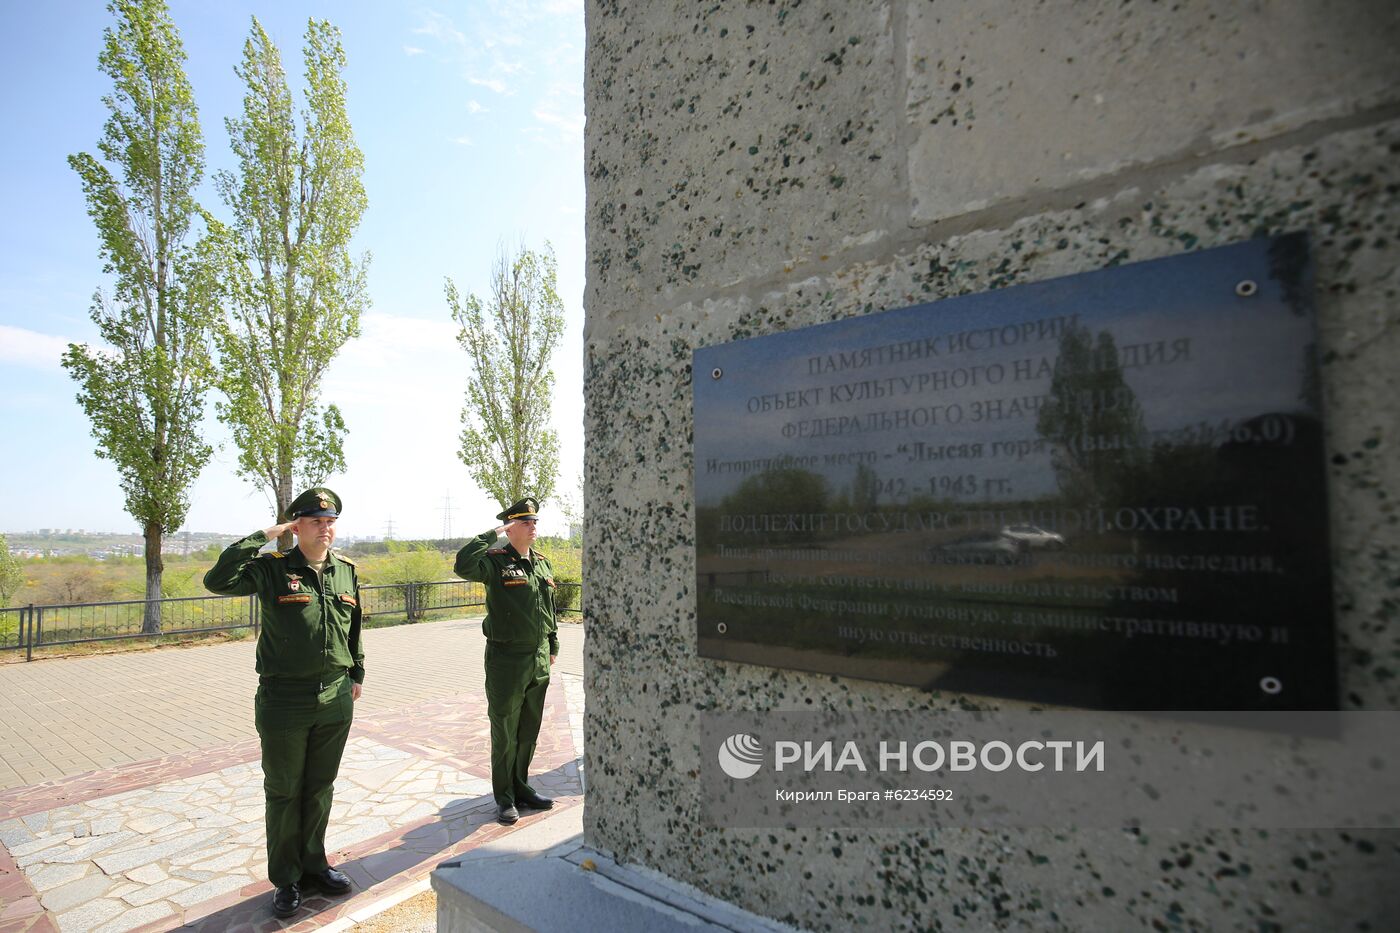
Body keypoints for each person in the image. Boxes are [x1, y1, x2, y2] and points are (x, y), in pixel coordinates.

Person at [203, 487, 364, 919]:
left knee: (319, 788)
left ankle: (315, 865)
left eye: (330, 522)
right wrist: (262, 535)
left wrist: (356, 672)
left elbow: (354, 628)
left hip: (335, 695)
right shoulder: (274, 569)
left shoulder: (345, 571)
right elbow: (217, 581)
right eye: (315, 521)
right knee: (284, 791)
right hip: (285, 699)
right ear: (296, 526)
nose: (325, 529)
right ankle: (287, 878)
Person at [455, 496, 558, 824]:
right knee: (505, 729)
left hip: (538, 658)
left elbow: (548, 607)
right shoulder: (495, 560)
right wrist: (492, 533)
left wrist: (553, 642)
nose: (533, 527)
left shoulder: (542, 562)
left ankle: (521, 786)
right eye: (525, 522)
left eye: (534, 522)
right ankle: (504, 797)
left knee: (529, 729)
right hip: (507, 660)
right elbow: (462, 564)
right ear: (510, 527)